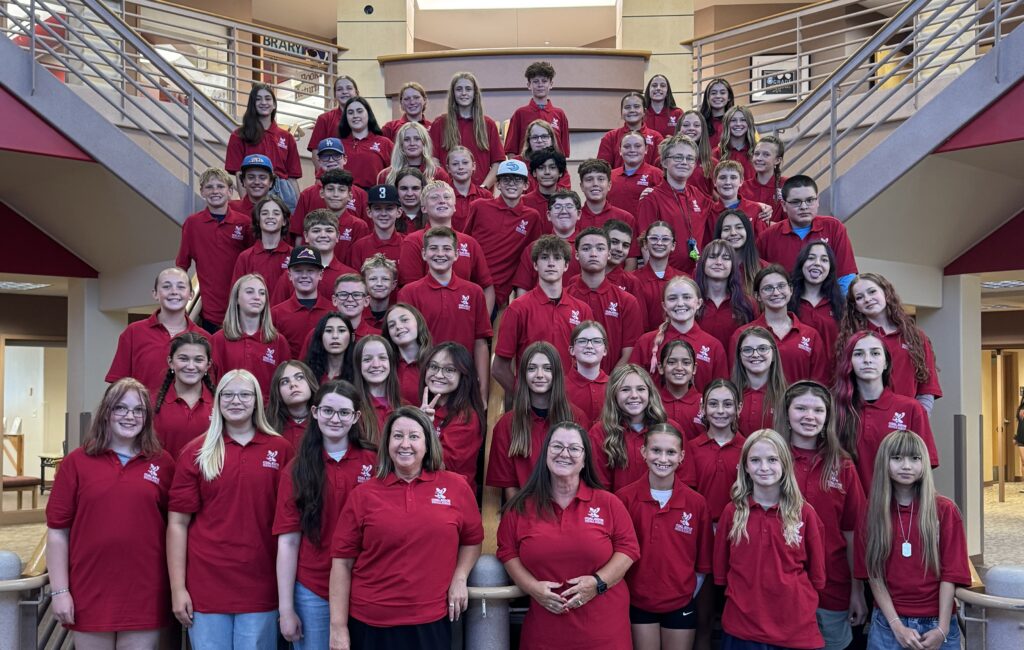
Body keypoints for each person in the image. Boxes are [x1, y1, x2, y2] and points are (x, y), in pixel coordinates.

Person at [329, 406, 483, 649]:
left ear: (427, 443)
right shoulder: (363, 495)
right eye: (397, 436)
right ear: (387, 442)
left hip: (431, 620)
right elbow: (342, 563)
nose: (405, 444)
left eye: (414, 436)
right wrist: (337, 628)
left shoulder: (456, 487)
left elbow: (472, 540)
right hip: (371, 622)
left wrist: (460, 577)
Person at [168, 369, 294, 650]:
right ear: (218, 400)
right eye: (228, 394)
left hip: (261, 585)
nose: (236, 401)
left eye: (245, 394)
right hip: (207, 586)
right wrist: (178, 589)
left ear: (257, 401)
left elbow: (290, 527)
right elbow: (177, 524)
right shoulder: (196, 452)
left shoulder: (281, 449)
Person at [47, 378, 175, 649]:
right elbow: (58, 531)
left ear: (147, 417)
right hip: (90, 587)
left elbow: (176, 527)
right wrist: (60, 591)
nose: (130, 416)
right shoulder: (76, 463)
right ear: (106, 412)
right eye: (121, 408)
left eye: (138, 410)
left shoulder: (163, 463)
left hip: (145, 589)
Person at [497, 422, 640, 650]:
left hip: (604, 632)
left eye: (574, 448)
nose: (565, 453)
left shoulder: (609, 503)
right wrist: (531, 587)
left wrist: (598, 583)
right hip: (545, 632)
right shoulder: (520, 507)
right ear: (545, 455)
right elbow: (507, 552)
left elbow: (629, 550)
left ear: (585, 460)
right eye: (557, 447)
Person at [274, 380, 377, 650]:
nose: (335, 419)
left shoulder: (375, 462)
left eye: (344, 413)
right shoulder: (297, 469)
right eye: (328, 411)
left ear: (355, 417)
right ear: (315, 412)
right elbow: (288, 541)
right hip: (313, 589)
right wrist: (286, 609)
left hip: (367, 586)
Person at [854, 430, 970, 650]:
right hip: (888, 622)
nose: (906, 466)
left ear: (924, 462)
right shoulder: (871, 512)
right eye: (897, 458)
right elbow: (874, 574)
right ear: (884, 462)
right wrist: (897, 626)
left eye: (914, 458)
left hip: (938, 621)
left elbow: (951, 574)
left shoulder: (945, 510)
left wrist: (942, 629)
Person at [713, 429, 827, 650]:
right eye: (755, 460)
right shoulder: (732, 513)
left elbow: (816, 575)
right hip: (742, 629)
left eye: (772, 460)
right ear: (745, 466)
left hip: (796, 629)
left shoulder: (804, 513)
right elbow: (722, 573)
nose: (764, 468)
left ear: (785, 464)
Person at [777, 381, 867, 650]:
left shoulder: (843, 464)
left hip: (832, 586)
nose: (809, 416)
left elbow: (853, 533)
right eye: (801, 408)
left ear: (827, 417)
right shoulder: (770, 460)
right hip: (779, 587)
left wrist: (857, 590)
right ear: (787, 413)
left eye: (818, 410)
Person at [616, 423, 713, 650]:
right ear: (643, 452)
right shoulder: (624, 499)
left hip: (680, 603)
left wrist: (685, 594)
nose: (663, 458)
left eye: (671, 452)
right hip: (638, 602)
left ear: (681, 457)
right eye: (656, 450)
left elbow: (702, 564)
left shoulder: (696, 504)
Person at [681, 378, 744, 650]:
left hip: (739, 539)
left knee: (738, 614)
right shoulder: (692, 449)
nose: (720, 410)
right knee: (703, 618)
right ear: (703, 408)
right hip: (701, 541)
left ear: (738, 408)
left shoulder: (749, 448)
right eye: (713, 404)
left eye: (728, 404)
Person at [833, 331, 938, 494]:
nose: (867, 360)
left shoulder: (911, 408)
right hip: (848, 509)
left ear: (886, 363)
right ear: (850, 362)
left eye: (875, 353)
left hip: (894, 510)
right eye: (859, 354)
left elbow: (924, 468)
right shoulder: (834, 409)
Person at [397, 226, 493, 399]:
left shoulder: (474, 292)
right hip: (424, 380)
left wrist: (483, 391)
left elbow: (480, 342)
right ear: (424, 254)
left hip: (464, 381)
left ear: (456, 254)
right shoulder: (409, 293)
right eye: (433, 248)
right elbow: (406, 345)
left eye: (447, 248)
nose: (440, 253)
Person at [493, 235, 595, 392]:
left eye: (557, 258)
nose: (551, 263)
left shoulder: (582, 309)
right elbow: (499, 368)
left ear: (566, 265)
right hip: (530, 402)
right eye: (545, 257)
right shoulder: (517, 309)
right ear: (535, 264)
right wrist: (524, 398)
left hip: (569, 400)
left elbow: (589, 361)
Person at [487, 341, 583, 498]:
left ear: (557, 374)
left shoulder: (577, 418)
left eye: (547, 368)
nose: (539, 375)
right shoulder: (506, 424)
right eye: (532, 368)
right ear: (523, 374)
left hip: (568, 512)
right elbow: (509, 488)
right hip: (524, 513)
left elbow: (584, 478)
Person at [840, 272, 942, 411]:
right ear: (855, 306)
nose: (867, 299)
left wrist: (918, 420)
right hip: (864, 418)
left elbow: (927, 389)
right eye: (859, 297)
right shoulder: (852, 339)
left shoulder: (916, 337)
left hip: (906, 421)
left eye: (872, 292)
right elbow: (843, 387)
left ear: (886, 293)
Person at [107, 267, 205, 394]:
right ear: (155, 293)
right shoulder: (133, 332)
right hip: (144, 412)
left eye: (181, 287)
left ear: (191, 294)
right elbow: (118, 385)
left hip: (189, 413)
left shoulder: (204, 338)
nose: (174, 292)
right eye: (166, 286)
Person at [177, 168, 251, 331]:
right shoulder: (192, 224)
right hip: (211, 314)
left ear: (230, 191)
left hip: (242, 309)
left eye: (220, 186)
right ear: (202, 192)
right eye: (209, 187)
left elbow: (253, 262)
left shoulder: (244, 223)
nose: (215, 191)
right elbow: (182, 265)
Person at [729, 264, 829, 385]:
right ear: (757, 296)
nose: (776, 292)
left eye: (781, 286)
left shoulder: (811, 336)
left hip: (798, 402)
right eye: (768, 288)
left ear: (791, 290)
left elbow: (819, 383)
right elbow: (735, 381)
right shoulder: (742, 335)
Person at [756, 175, 858, 292]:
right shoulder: (767, 237)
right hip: (784, 307)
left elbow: (846, 276)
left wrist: (842, 308)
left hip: (827, 307)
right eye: (796, 202)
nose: (804, 207)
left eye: (810, 200)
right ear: (784, 205)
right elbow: (755, 278)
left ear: (817, 201)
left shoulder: (834, 227)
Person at [396, 182, 494, 303]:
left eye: (446, 197)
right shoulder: (413, 241)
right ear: (424, 208)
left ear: (454, 206)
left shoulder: (469, 243)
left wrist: (482, 319)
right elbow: (409, 292)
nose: (442, 201)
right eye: (434, 197)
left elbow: (487, 287)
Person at [630, 276, 729, 393]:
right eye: (672, 298)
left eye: (687, 297)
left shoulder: (713, 346)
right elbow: (632, 384)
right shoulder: (646, 342)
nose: (680, 303)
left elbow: (721, 392)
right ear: (664, 306)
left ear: (698, 303)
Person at [464, 159, 543, 307]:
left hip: (501, 293)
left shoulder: (532, 217)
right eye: (506, 179)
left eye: (517, 180)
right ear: (498, 184)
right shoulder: (479, 206)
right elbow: (465, 243)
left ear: (526, 185)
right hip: (471, 286)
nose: (511, 184)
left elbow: (531, 256)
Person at [589, 364, 679, 492]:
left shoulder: (671, 429)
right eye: (625, 390)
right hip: (617, 509)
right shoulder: (600, 433)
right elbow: (599, 488)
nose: (634, 395)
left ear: (650, 392)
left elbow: (685, 480)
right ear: (614, 394)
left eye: (641, 389)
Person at [567, 226, 644, 371]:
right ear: (576, 255)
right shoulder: (564, 298)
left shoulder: (627, 301)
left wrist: (609, 386)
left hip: (612, 385)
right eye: (586, 248)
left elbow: (630, 352)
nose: (593, 253)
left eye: (600, 248)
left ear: (609, 254)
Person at [636, 135, 714, 275]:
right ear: (665, 162)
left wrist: (760, 206)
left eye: (690, 158)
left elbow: (724, 208)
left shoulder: (697, 195)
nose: (684, 162)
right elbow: (645, 244)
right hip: (666, 279)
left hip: (696, 277)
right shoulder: (651, 198)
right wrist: (656, 279)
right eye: (678, 157)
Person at [211, 274, 292, 401]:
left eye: (262, 293)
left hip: (269, 415)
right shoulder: (218, 340)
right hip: (230, 410)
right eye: (249, 292)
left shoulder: (278, 341)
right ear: (236, 299)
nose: (257, 297)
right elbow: (211, 383)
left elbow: (285, 384)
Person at [417, 342, 487, 486]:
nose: (438, 375)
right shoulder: (424, 409)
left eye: (449, 370)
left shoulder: (467, 418)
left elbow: (439, 466)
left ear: (463, 375)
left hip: (448, 495)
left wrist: (423, 427)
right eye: (434, 366)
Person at [225, 84, 301, 211]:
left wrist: (299, 210)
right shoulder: (239, 135)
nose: (263, 102)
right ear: (252, 104)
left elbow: (292, 178)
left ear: (274, 104)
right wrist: (246, 206)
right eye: (258, 99)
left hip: (284, 193)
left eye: (267, 98)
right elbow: (239, 174)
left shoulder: (287, 137)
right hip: (255, 189)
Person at [429, 71, 504, 189]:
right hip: (448, 194)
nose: (464, 93)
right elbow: (434, 160)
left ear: (475, 93)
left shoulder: (488, 124)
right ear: (453, 94)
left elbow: (497, 163)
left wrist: (484, 187)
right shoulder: (440, 124)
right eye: (459, 89)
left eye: (468, 89)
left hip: (481, 194)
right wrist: (447, 186)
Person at [292, 140, 369, 244]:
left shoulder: (360, 194)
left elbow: (366, 235)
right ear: (318, 161)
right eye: (325, 156)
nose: (331, 160)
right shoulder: (307, 194)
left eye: (336, 156)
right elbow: (298, 233)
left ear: (345, 159)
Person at [272, 210, 357, 305]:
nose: (323, 235)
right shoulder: (291, 276)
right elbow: (274, 314)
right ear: (306, 236)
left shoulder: (350, 275)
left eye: (329, 230)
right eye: (316, 231)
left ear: (337, 236)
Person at [153, 332, 215, 461]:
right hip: (161, 479)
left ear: (208, 365)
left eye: (198, 360)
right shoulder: (151, 403)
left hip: (207, 479)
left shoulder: (221, 405)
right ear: (170, 362)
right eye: (183, 358)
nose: (191, 366)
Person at [790, 241, 844, 380]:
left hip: (832, 384)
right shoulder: (787, 301)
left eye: (824, 260)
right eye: (811, 258)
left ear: (830, 268)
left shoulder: (841, 305)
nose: (817, 263)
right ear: (801, 263)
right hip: (793, 381)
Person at [511, 189, 583, 294]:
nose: (563, 211)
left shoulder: (586, 247)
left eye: (569, 206)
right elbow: (523, 288)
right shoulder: (534, 248)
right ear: (549, 215)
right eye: (558, 207)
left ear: (579, 214)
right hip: (539, 308)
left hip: (577, 309)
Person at [271, 247, 334, 358]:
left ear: (321, 275)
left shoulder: (333, 311)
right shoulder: (276, 313)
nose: (304, 276)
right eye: (298, 271)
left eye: (310, 270)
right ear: (290, 275)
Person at [694, 239, 757, 349]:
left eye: (726, 258)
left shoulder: (748, 304)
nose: (719, 262)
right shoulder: (691, 302)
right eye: (712, 257)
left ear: (733, 265)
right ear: (703, 263)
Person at [297, 167, 369, 260]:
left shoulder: (359, 226)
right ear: (322, 193)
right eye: (330, 189)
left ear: (350, 196)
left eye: (341, 190)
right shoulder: (312, 223)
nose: (335, 194)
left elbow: (359, 259)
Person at [505, 61, 571, 156]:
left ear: (551, 84)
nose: (540, 85)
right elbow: (511, 151)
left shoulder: (560, 114)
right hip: (526, 168)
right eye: (535, 81)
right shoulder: (520, 114)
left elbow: (563, 152)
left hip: (552, 169)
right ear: (529, 85)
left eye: (544, 81)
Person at [628, 222, 686, 330]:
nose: (659, 243)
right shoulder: (631, 279)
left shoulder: (685, 280)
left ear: (673, 245)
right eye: (654, 238)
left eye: (665, 239)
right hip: (643, 343)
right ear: (645, 243)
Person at [731, 327, 787, 436]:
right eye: (747, 350)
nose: (755, 354)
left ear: (774, 354)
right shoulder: (729, 397)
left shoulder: (787, 397)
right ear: (739, 356)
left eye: (763, 348)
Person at [231, 196, 292, 295]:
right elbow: (236, 295)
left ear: (284, 221)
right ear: (258, 221)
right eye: (264, 213)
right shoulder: (245, 257)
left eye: (276, 213)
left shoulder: (294, 255)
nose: (270, 216)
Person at [351, 334, 402, 446]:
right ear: (358, 365)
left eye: (382, 358)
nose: (376, 364)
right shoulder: (351, 408)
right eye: (367, 359)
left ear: (391, 363)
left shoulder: (406, 406)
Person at [380, 303, 432, 406]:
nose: (398, 327)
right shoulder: (384, 365)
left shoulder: (435, 362)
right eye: (392, 325)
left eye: (404, 320)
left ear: (418, 323)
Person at [338, 96, 393, 190]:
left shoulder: (385, 143)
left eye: (359, 111)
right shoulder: (338, 145)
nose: (355, 115)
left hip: (375, 199)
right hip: (344, 197)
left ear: (368, 114)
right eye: (350, 112)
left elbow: (396, 174)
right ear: (346, 117)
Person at [598, 92, 663, 168]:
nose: (632, 110)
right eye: (627, 107)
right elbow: (602, 169)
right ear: (621, 113)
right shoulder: (610, 137)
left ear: (644, 112)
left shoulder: (656, 137)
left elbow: (660, 170)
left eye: (636, 106)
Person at [608, 132, 664, 220]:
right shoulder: (609, 176)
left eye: (637, 146)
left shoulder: (657, 174)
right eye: (627, 146)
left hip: (645, 231)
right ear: (620, 151)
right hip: (614, 230)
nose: (632, 150)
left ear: (646, 149)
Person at [565, 321, 611, 429]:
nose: (589, 346)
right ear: (572, 350)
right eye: (582, 341)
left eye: (596, 341)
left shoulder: (615, 385)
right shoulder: (560, 386)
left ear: (605, 350)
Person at [348, 184, 405, 270]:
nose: (383, 214)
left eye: (389, 209)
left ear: (399, 212)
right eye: (377, 208)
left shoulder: (407, 244)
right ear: (369, 212)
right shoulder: (358, 248)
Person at [656, 340, 704, 440]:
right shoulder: (653, 401)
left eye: (686, 363)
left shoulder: (705, 403)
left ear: (694, 368)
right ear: (660, 368)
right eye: (671, 362)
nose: (679, 368)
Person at [308, 75, 359, 168]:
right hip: (332, 177)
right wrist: (324, 176)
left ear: (356, 92)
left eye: (349, 88)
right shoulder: (324, 119)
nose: (344, 92)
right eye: (339, 89)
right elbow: (316, 152)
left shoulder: (364, 119)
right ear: (335, 95)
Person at [379, 122, 451, 187]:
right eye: (406, 139)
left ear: (424, 143)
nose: (412, 143)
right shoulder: (386, 175)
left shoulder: (438, 173)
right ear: (401, 145)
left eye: (417, 139)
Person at [266, 360, 319, 448]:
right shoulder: (267, 426)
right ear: (278, 392)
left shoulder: (325, 420)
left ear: (310, 382)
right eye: (285, 382)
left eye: (299, 377)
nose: (293, 384)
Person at [578, 158, 638, 235]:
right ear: (582, 186)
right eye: (589, 179)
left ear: (609, 185)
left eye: (601, 179)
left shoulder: (625, 218)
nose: (595, 184)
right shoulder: (574, 218)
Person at [714, 209, 764, 295]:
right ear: (719, 235)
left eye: (739, 227)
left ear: (748, 232)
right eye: (726, 229)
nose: (733, 233)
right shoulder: (709, 268)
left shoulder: (763, 268)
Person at [741, 135, 787, 225]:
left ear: (777, 160)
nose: (759, 158)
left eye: (766, 154)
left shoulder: (787, 185)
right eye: (756, 154)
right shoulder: (742, 188)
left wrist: (766, 225)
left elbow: (794, 223)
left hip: (779, 237)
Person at [514, 120, 572, 192]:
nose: (540, 140)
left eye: (544, 136)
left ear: (552, 139)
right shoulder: (517, 162)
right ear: (529, 141)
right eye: (535, 137)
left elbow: (564, 192)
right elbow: (513, 191)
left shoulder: (558, 161)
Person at [676, 109, 717, 197]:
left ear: (703, 130)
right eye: (686, 125)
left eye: (696, 125)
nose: (691, 128)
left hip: (703, 209)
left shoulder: (713, 164)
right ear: (679, 128)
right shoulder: (665, 160)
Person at [304, 312, 354, 384]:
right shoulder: (307, 373)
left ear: (352, 337)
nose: (335, 336)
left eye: (341, 330)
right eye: (329, 331)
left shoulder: (359, 371)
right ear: (320, 336)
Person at [446, 146, 488, 232]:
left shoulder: (485, 195)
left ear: (473, 166)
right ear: (448, 169)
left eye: (465, 162)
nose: (461, 167)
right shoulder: (442, 195)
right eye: (455, 164)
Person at [521, 148, 568, 220]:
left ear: (560, 172)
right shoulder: (523, 202)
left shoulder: (569, 201)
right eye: (541, 168)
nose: (547, 172)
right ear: (534, 173)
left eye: (552, 167)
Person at [716, 106, 757, 183]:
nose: (738, 124)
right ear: (726, 124)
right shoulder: (716, 154)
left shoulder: (758, 154)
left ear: (749, 124)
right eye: (733, 120)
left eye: (743, 120)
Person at [228, 154, 274, 218]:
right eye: (251, 177)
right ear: (243, 181)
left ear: (271, 182)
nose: (257, 182)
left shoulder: (279, 211)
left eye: (262, 177)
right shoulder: (229, 209)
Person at [361, 254, 399, 327]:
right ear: (364, 284)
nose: (379, 284)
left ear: (393, 284)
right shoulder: (357, 314)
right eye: (373, 279)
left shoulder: (397, 315)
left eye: (385, 279)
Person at [698, 78, 734, 146]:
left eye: (722, 93)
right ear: (707, 97)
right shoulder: (699, 122)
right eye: (713, 93)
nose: (718, 96)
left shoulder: (737, 122)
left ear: (729, 97)